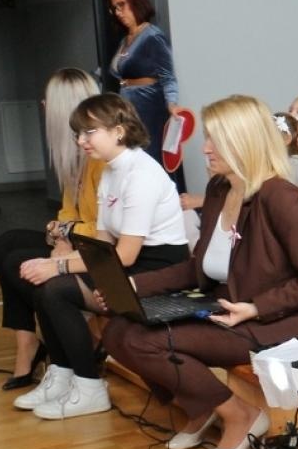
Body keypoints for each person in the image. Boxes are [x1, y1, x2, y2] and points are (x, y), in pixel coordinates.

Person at [101, 94, 298, 449]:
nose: (206, 149)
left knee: (146, 342)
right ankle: (201, 407)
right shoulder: (219, 189)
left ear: (243, 143)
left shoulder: (279, 196)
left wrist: (255, 307)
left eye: (215, 140)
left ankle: (239, 415)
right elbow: (197, 268)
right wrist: (135, 285)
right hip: (227, 309)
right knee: (117, 331)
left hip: (279, 322)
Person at [15, 93, 187, 420]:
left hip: (158, 272)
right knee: (43, 285)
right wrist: (56, 264)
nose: (81, 141)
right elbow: (103, 248)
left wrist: (57, 266)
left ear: (119, 131)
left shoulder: (141, 174)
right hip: (127, 264)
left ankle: (89, 386)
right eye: (78, 134)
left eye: (89, 132)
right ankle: (63, 375)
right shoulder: (110, 171)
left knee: (55, 287)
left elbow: (123, 255)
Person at [0, 68, 102, 390]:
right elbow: (67, 212)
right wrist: (60, 236)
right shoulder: (75, 157)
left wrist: (65, 236)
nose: (42, 105)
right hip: (79, 244)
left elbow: (104, 229)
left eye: (48, 100)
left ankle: (63, 354)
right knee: (6, 242)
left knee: (20, 261)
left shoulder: (100, 158)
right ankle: (27, 343)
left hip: (99, 254)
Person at [104, 0, 183, 191]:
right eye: (114, 8)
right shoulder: (126, 39)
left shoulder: (152, 36)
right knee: (132, 160)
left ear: (135, 2)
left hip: (149, 107)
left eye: (122, 5)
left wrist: (172, 104)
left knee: (152, 160)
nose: (118, 12)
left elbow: (168, 76)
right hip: (129, 107)